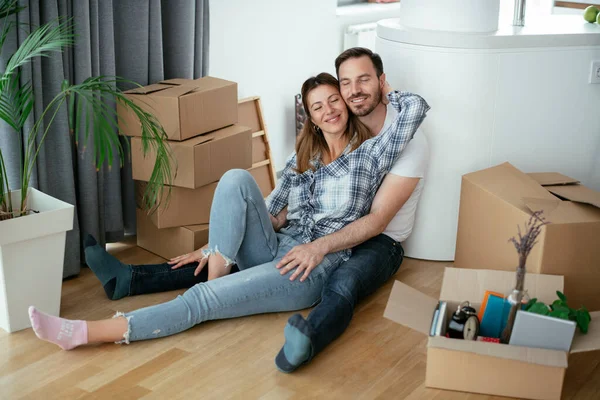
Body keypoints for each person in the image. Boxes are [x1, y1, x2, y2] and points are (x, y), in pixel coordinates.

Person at [27, 72, 430, 350]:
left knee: (202, 302)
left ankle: (86, 332)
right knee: (237, 177)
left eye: (334, 100)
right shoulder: (304, 156)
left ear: (346, 103)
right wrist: (213, 248)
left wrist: (384, 90)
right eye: (317, 106)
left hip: (309, 265)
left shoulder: (371, 152)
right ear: (309, 115)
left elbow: (414, 110)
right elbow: (269, 213)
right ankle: (216, 270)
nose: (329, 111)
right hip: (278, 243)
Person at [274, 47, 430, 373]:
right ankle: (143, 278)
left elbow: (377, 221)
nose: (355, 90)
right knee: (233, 257)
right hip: (338, 231)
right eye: (346, 83)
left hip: (380, 240)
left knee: (344, 282)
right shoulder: (341, 133)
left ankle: (308, 338)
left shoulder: (407, 140)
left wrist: (319, 245)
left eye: (364, 80)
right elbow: (292, 194)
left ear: (381, 82)